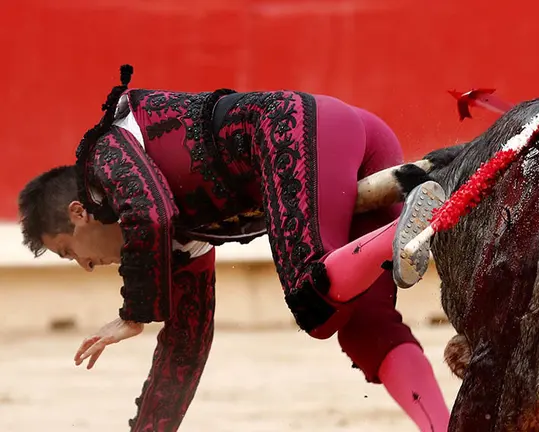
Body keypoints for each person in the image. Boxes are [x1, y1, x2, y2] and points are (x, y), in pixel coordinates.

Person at [17, 65, 450, 431]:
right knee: (365, 328)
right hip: (341, 136)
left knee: (312, 301)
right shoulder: (181, 239)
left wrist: (135, 314)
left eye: (68, 252)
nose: (87, 266)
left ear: (79, 213)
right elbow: (186, 346)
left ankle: (406, 228)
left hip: (294, 129)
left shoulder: (103, 153)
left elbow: (149, 214)